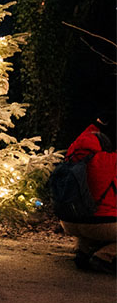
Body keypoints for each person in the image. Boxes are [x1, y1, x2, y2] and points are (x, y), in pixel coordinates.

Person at [59, 109, 116, 273]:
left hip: (68, 221)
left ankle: (83, 251)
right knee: (104, 217)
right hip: (99, 225)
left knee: (94, 213)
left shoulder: (73, 156)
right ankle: (104, 256)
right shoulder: (108, 161)